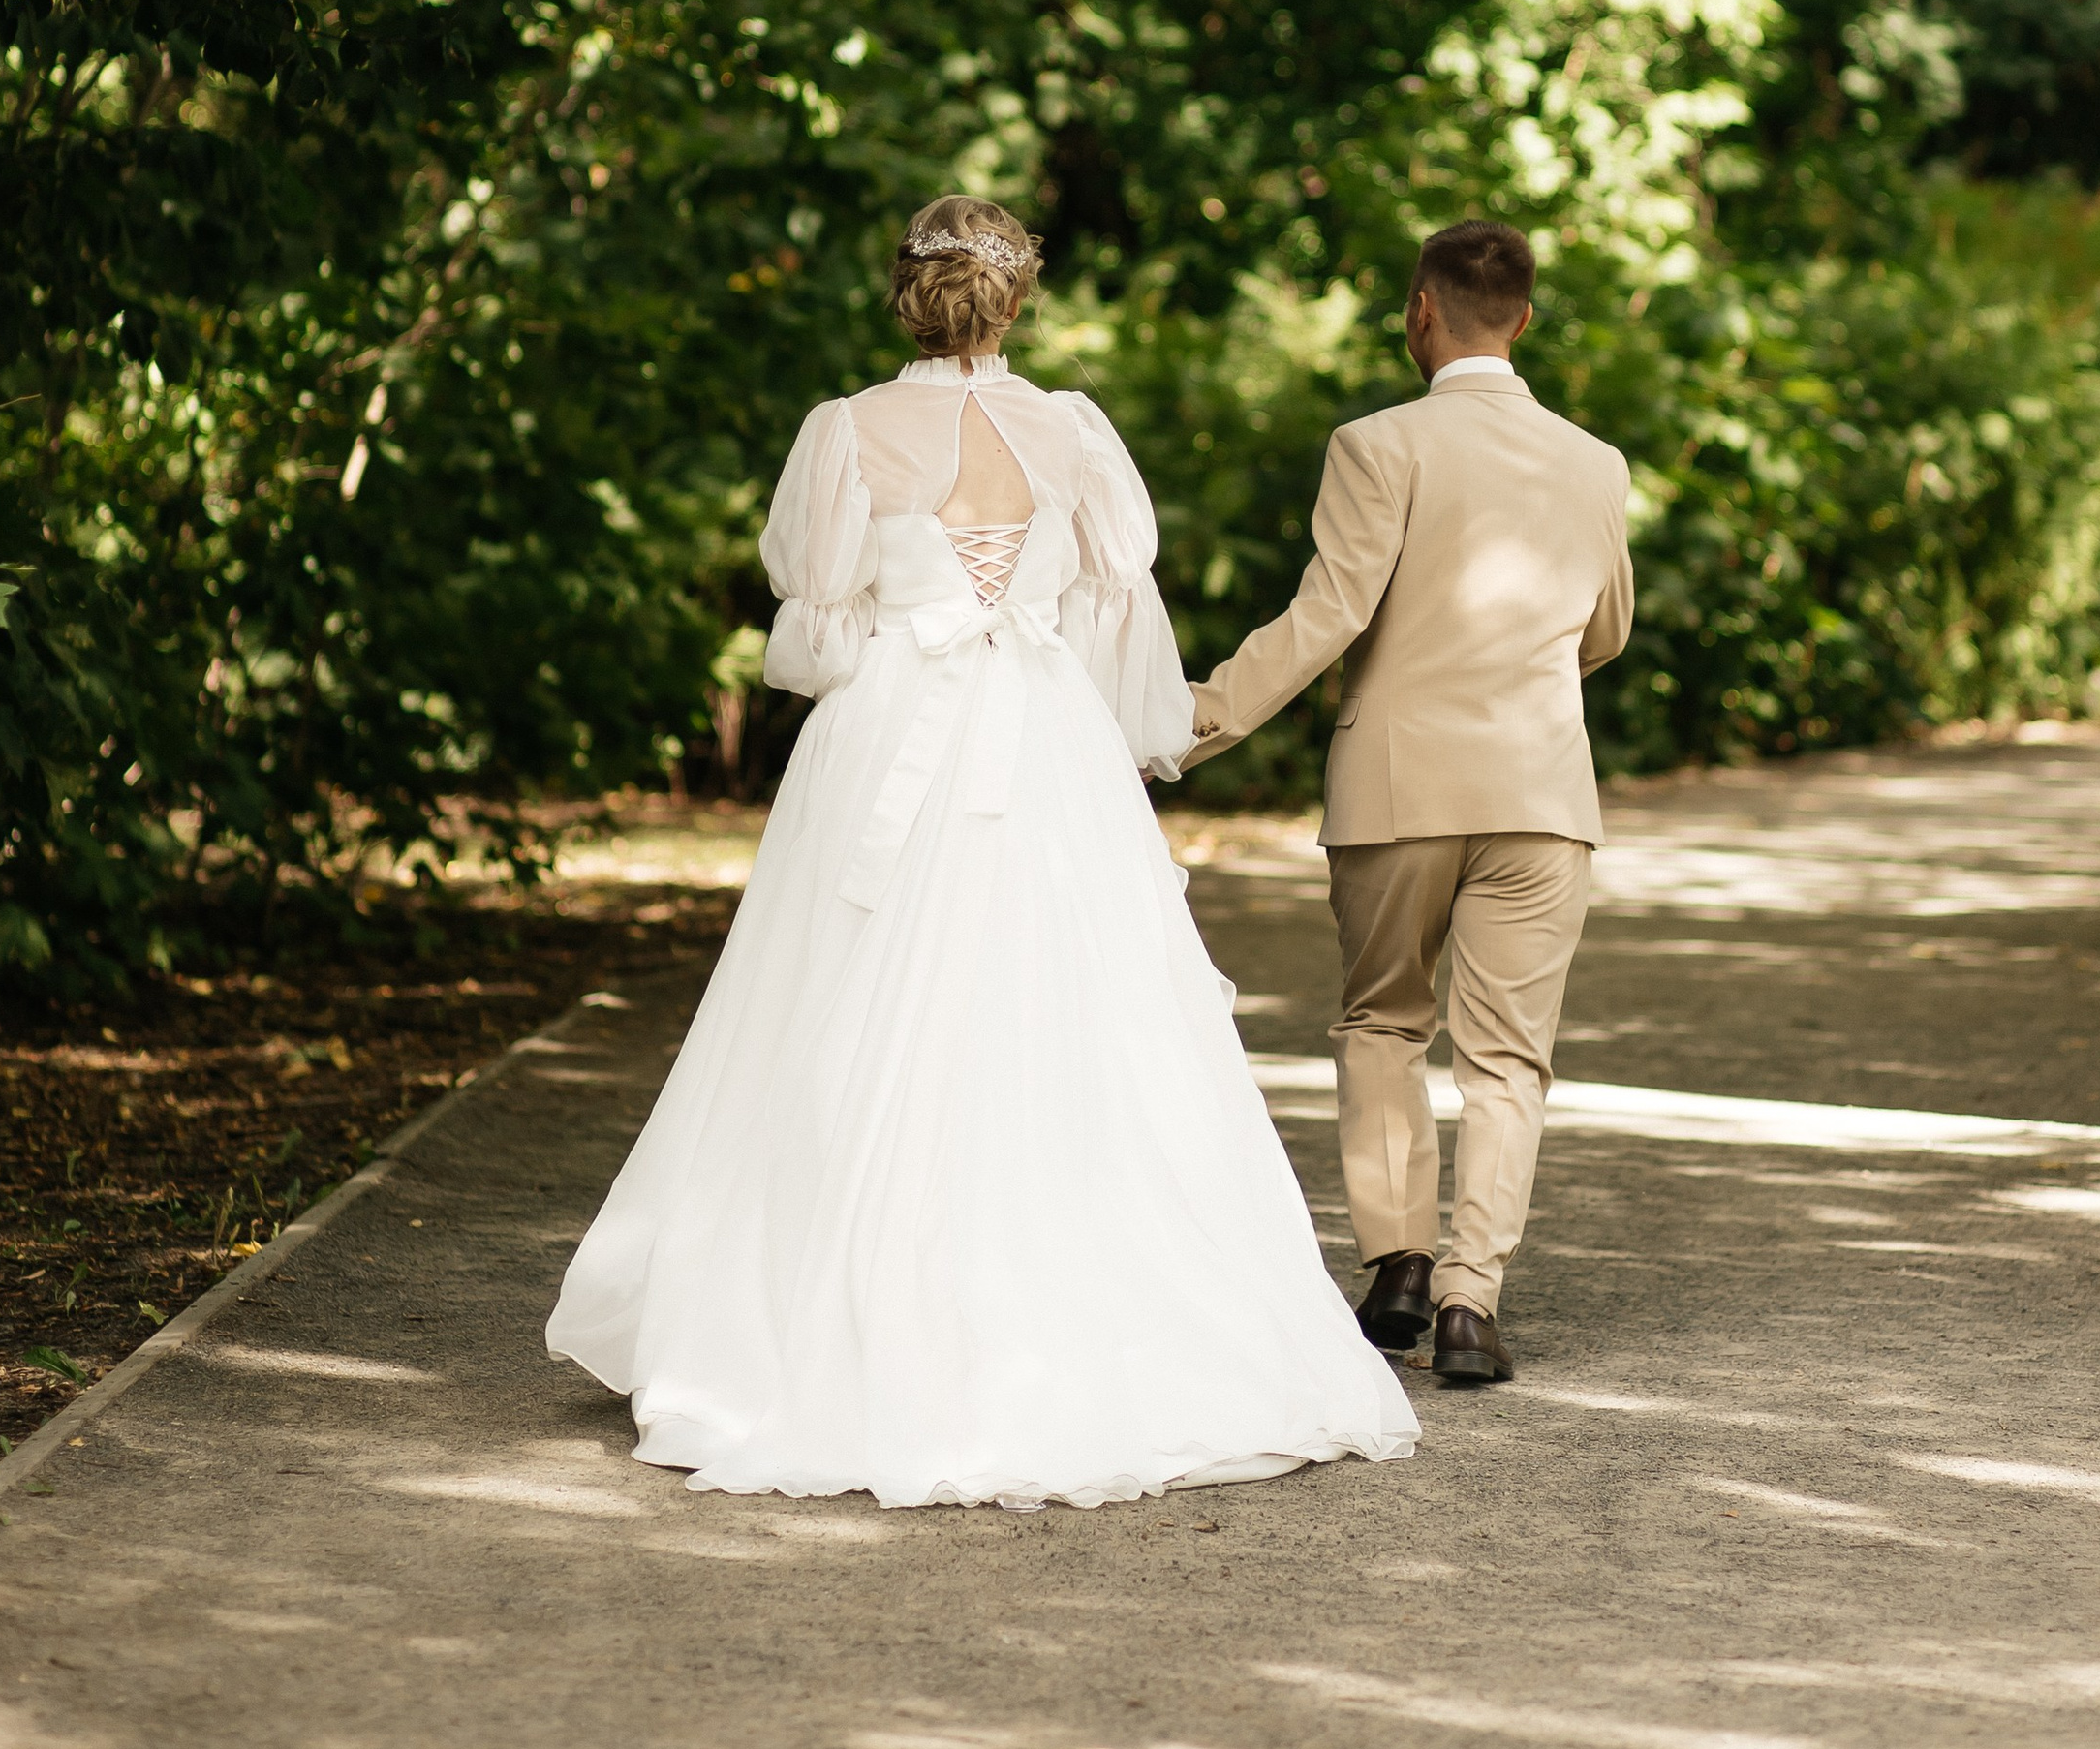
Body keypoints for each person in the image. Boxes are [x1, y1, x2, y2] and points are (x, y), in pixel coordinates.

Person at [548, 194, 1416, 1509]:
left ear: (906, 295)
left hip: (893, 734)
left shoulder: (845, 432)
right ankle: (1089, 1321)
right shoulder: (1074, 432)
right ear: (1017, 301)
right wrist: (1122, 736)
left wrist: (874, 644)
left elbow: (816, 613)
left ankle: (824, 1329)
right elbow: (1118, 606)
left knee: (835, 1006)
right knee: (1066, 1013)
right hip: (1045, 733)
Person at [1183, 219, 1633, 1389]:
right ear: (1522, 320)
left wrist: (1194, 722)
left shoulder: (1377, 444)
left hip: (1397, 785)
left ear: (1419, 312)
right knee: (1507, 1062)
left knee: (1384, 1021)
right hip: (1541, 792)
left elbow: (1326, 616)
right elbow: (1606, 630)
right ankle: (1471, 1304)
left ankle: (1395, 1266)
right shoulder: (1595, 463)